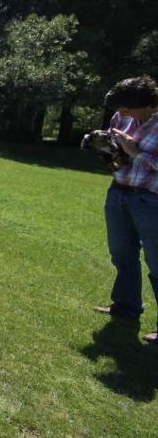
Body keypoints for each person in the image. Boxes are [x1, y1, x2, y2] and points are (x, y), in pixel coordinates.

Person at [93, 76, 158, 342]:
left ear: (147, 105)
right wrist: (107, 150)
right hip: (119, 193)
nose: (120, 115)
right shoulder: (121, 119)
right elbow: (117, 161)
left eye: (126, 109)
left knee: (157, 264)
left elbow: (135, 154)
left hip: (152, 201)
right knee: (122, 255)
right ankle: (126, 306)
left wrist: (135, 151)